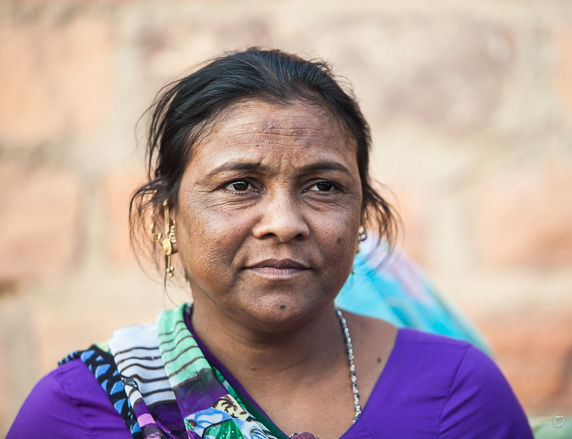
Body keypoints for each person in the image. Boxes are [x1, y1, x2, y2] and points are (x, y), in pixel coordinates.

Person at [8, 48, 533, 439]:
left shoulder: (457, 393)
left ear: (362, 219)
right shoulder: (79, 409)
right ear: (165, 217)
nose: (284, 223)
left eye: (323, 187)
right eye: (240, 186)